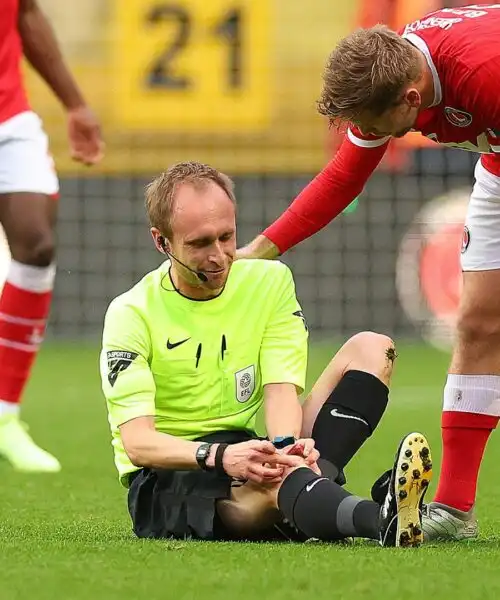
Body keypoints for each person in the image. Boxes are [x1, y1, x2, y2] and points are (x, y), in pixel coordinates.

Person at [236, 5, 500, 541]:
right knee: (477, 325)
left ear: (409, 100)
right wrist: (261, 249)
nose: (365, 134)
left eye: (371, 125)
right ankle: (453, 510)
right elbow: (344, 177)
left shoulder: (483, 73)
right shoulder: (392, 70)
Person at [99, 161, 432, 547]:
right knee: (276, 486)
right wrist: (221, 456)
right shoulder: (131, 312)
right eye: (200, 243)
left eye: (227, 237)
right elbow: (138, 444)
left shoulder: (269, 281)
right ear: (162, 242)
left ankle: (308, 491)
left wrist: (286, 447)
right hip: (170, 473)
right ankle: (378, 519)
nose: (219, 256)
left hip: (247, 448)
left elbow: (280, 389)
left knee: (374, 349)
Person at [0, 0, 104, 472]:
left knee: (36, 244)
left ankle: (4, 417)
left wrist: (75, 103)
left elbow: (24, 13)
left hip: (8, 116)